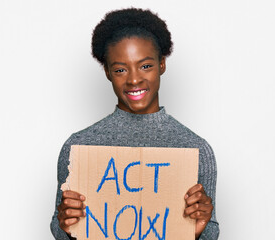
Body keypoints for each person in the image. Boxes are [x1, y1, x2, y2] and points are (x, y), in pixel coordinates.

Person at [50, 8, 219, 240]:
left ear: (162, 64)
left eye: (145, 66)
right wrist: (66, 225)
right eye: (120, 69)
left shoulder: (195, 149)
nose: (134, 79)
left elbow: (211, 232)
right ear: (108, 72)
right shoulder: (79, 146)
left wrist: (199, 228)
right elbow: (60, 230)